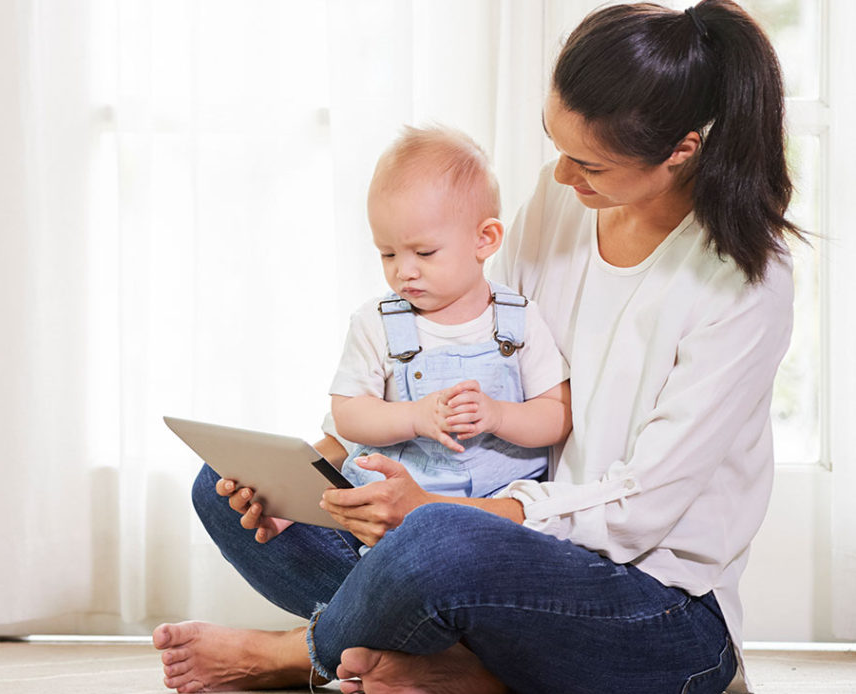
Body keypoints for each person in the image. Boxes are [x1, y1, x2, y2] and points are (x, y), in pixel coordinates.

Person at [152, 1, 800, 692]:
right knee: (230, 489)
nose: (560, 178)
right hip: (503, 545)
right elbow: (473, 341)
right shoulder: (567, 206)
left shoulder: (743, 285)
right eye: (556, 146)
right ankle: (463, 666)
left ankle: (301, 651)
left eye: (588, 164)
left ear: (681, 152)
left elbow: (635, 514)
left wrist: (436, 516)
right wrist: (327, 474)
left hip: (655, 607)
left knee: (435, 545)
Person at [328, 126, 570, 500]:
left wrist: (499, 416)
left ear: (484, 239)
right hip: (398, 497)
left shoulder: (519, 320)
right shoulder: (375, 323)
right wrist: (414, 417)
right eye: (387, 253)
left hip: (497, 500)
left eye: (424, 253)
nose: (403, 271)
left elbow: (556, 415)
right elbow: (348, 413)